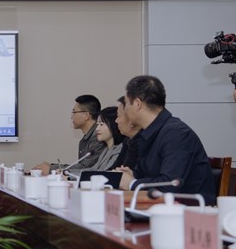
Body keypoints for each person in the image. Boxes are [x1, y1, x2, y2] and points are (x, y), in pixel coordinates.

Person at [118, 75, 216, 205]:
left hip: (190, 210)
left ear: (137, 104)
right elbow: (149, 173)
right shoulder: (149, 133)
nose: (125, 109)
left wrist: (132, 183)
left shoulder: (177, 133)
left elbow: (170, 184)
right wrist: (132, 174)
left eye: (126, 103)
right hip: (159, 207)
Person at [33, 95, 106, 175]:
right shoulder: (86, 138)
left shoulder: (98, 137)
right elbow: (80, 166)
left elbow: (85, 168)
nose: (72, 117)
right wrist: (52, 166)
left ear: (86, 115)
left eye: (74, 112)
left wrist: (51, 169)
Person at [70, 107, 125, 176]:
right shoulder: (106, 149)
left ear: (113, 125)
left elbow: (106, 173)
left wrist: (70, 174)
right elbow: (93, 169)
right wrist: (68, 172)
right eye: (97, 124)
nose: (97, 129)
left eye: (101, 124)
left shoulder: (119, 149)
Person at [111, 96, 141, 169]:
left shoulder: (143, 142)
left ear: (131, 118)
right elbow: (115, 167)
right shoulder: (128, 140)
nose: (116, 121)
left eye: (118, 116)